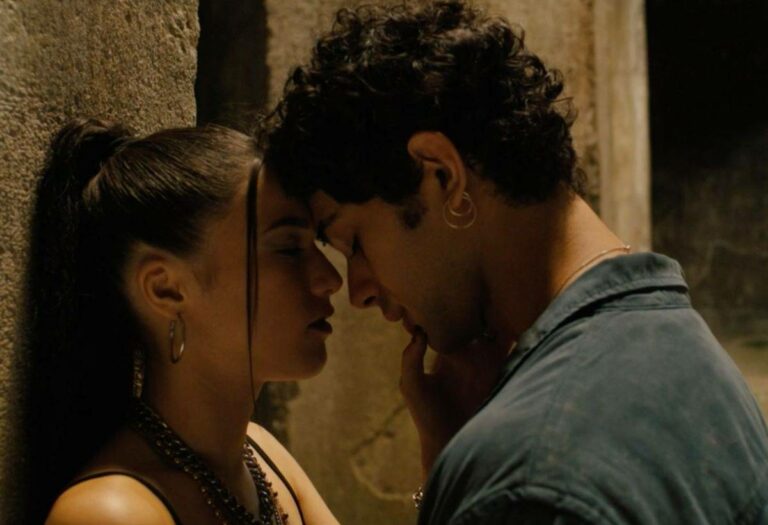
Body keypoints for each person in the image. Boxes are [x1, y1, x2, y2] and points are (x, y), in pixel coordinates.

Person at [262, 1, 768, 523]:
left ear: (440, 174)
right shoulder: (683, 345)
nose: (358, 291)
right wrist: (452, 456)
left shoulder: (528, 479)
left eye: (353, 242)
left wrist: (481, 472)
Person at [26, 119, 342, 524]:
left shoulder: (264, 456)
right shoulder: (109, 513)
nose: (330, 278)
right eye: (288, 249)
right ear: (166, 289)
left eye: (315, 244)